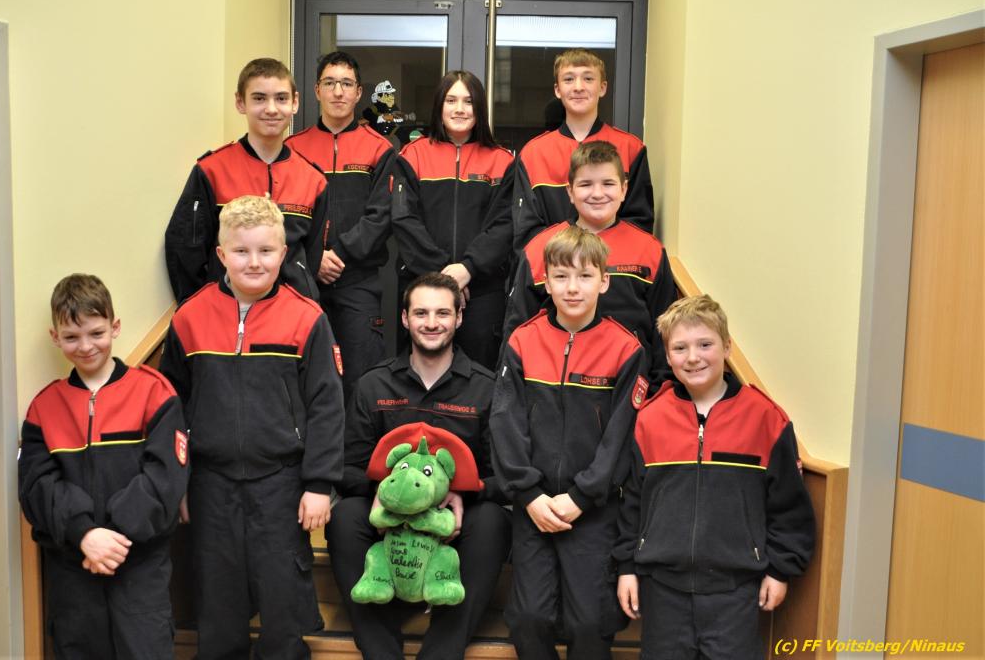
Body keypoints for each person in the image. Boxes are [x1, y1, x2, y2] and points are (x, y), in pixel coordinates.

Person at [160, 195, 344, 659]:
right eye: (241, 251)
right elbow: (171, 410)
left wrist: (319, 484)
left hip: (281, 482)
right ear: (221, 254)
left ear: (284, 253)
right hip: (210, 482)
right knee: (217, 598)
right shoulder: (189, 317)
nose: (254, 262)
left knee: (282, 596)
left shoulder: (307, 318)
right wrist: (177, 482)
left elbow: (326, 406)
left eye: (266, 251)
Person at [614, 295, 815, 660]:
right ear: (667, 356)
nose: (693, 357)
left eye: (705, 344)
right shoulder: (649, 419)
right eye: (680, 348)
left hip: (736, 592)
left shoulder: (766, 419)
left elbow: (788, 506)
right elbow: (632, 503)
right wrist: (627, 567)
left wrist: (780, 570)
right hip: (662, 590)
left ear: (727, 347)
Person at [326, 272, 510, 660]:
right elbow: (346, 467)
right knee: (343, 517)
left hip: (454, 522)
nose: (431, 322)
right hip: (387, 523)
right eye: (421, 313)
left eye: (443, 313)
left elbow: (505, 476)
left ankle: (441, 652)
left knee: (493, 521)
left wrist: (462, 493)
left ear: (459, 317)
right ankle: (381, 652)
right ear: (405, 318)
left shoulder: (486, 388)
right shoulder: (374, 385)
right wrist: (381, 494)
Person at [491, 227, 648, 660]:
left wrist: (582, 495)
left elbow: (621, 436)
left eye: (584, 276)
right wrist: (528, 494)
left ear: (604, 281)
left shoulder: (626, 349)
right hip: (535, 507)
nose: (572, 288)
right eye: (561, 277)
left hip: (593, 510)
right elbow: (504, 422)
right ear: (546, 282)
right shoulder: (522, 341)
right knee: (528, 619)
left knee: (589, 623)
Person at [18, 274, 188, 659]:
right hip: (73, 569)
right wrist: (85, 535)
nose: (85, 346)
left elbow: (164, 478)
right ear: (55, 336)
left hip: (140, 565)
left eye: (96, 333)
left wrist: (113, 537)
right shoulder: (44, 408)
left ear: (115, 327)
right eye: (71, 337)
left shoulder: (154, 393)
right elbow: (37, 486)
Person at [504, 140, 675, 391]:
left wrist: (659, 392)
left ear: (624, 189)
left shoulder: (649, 251)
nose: (597, 194)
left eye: (608, 184)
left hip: (630, 385)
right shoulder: (540, 248)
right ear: (570, 191)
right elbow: (518, 326)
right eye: (585, 184)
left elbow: (665, 331)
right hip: (554, 386)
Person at [165, 58, 327, 303]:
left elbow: (311, 258)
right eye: (259, 98)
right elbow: (185, 250)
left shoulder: (314, 180)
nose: (271, 109)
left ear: (294, 102)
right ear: (241, 103)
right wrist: (200, 308)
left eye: (281, 98)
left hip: (292, 313)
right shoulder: (211, 171)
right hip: (225, 312)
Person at [286, 51, 396, 401]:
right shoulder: (293, 149)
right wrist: (313, 258)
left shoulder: (380, 150)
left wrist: (339, 254)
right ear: (316, 90)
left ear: (359, 92)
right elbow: (282, 218)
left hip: (358, 281)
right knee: (305, 376)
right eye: (330, 83)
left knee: (361, 380)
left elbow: (381, 216)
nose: (338, 91)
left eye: (346, 84)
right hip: (302, 280)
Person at [393, 70, 514, 367]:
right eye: (451, 100)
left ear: (480, 107)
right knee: (418, 376)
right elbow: (404, 220)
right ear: (439, 105)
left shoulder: (502, 161)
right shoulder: (412, 156)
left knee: (479, 377)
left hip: (482, 293)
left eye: (468, 101)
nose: (460, 109)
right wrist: (445, 276)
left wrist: (468, 269)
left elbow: (505, 224)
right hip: (422, 289)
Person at [511, 48, 654, 248]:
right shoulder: (533, 153)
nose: (578, 87)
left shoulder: (630, 148)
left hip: (613, 265)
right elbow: (526, 231)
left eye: (588, 78)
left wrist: (596, 260)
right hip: (551, 265)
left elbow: (638, 225)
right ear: (557, 90)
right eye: (569, 79)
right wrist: (566, 259)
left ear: (602, 88)